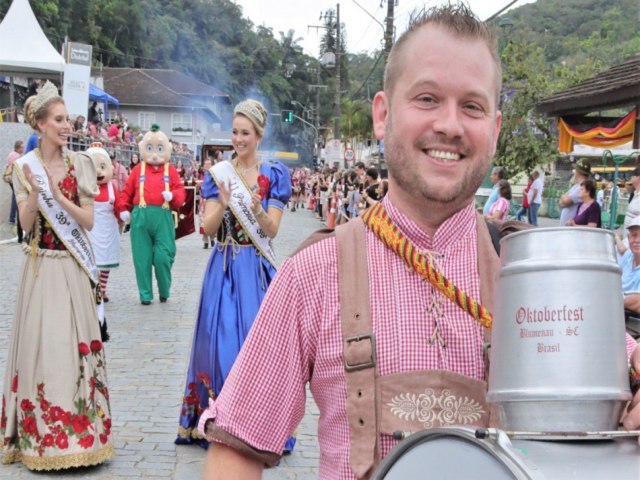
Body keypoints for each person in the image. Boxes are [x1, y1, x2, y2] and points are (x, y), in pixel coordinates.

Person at [197, 5, 640, 479]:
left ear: (492, 129)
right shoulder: (313, 271)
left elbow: (624, 363)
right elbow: (237, 450)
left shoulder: (535, 274)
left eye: (472, 106)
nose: (449, 124)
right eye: (427, 98)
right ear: (383, 115)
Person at [0, 81, 114, 470]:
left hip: (70, 266)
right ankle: (42, 438)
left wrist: (58, 195)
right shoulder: (22, 168)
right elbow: (26, 222)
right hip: (40, 266)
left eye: (68, 120)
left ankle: (81, 435)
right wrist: (35, 193)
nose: (68, 126)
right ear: (41, 125)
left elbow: (86, 220)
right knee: (43, 349)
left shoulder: (80, 164)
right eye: (60, 120)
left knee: (73, 348)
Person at [176, 99, 294, 451]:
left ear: (258, 136)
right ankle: (219, 419)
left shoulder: (273, 175)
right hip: (224, 267)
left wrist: (255, 207)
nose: (238, 139)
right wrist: (224, 204)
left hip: (255, 271)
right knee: (219, 342)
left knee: (254, 347)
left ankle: (256, 424)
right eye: (235, 132)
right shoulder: (218, 175)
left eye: (245, 133)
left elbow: (271, 231)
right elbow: (207, 228)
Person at [616, 216, 640, 312]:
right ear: (629, 238)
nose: (637, 240)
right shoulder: (628, 255)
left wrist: (611, 299)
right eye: (634, 235)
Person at [559, 157, 591, 226]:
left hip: (571, 230)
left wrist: (564, 197)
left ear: (578, 172)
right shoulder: (576, 186)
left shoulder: (582, 187)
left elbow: (565, 201)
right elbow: (561, 203)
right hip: (567, 229)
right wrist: (564, 200)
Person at [5, 140, 25, 243]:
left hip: (10, 180)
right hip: (15, 180)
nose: (23, 148)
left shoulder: (10, 154)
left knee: (14, 199)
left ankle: (11, 218)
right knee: (17, 203)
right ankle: (20, 235)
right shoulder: (17, 157)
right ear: (18, 148)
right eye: (22, 147)